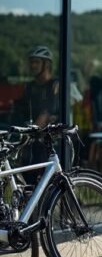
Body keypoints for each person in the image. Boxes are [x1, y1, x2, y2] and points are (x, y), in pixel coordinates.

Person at [13, 46, 60, 183]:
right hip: (31, 139)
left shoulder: (54, 85)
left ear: (46, 65)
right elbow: (21, 109)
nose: (33, 65)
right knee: (28, 178)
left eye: (37, 62)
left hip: (48, 139)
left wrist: (32, 131)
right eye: (31, 62)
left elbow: (47, 112)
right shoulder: (30, 86)